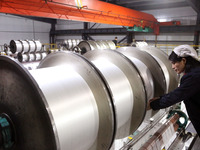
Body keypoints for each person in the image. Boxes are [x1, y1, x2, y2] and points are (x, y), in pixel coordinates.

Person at [147, 45, 200, 137]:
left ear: (183, 60)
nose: (172, 67)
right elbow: (180, 91)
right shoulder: (195, 72)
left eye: (174, 63)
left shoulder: (194, 76)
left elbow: (177, 95)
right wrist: (160, 98)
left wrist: (152, 105)